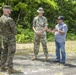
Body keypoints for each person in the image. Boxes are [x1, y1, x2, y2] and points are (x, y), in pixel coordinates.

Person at [0, 5, 18, 74]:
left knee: (4, 52)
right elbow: (14, 31)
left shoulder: (1, 18)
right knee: (11, 52)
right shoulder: (9, 19)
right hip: (10, 39)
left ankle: (2, 66)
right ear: (7, 11)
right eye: (10, 10)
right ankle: (10, 68)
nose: (10, 11)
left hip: (4, 38)